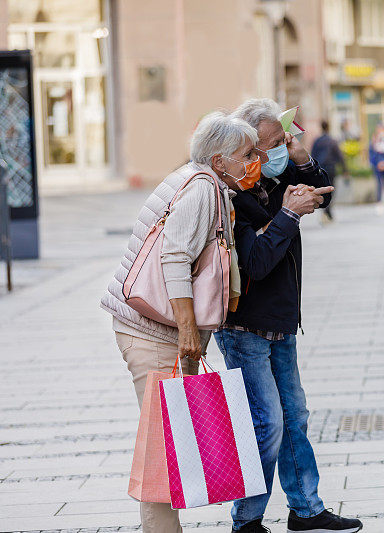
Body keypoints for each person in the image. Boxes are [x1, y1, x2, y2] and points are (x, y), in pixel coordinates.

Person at [101, 112, 262, 533]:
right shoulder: (202, 190)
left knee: (166, 445)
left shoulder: (200, 180)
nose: (255, 160)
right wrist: (189, 330)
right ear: (219, 159)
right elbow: (174, 256)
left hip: (152, 327)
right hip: (152, 330)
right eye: (247, 154)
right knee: (160, 450)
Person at [215, 98, 362, 533]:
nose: (280, 150)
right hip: (244, 327)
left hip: (280, 321)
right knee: (268, 422)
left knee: (294, 417)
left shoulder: (274, 174)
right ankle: (247, 519)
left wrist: (302, 159)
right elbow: (256, 262)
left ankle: (306, 508)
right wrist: (288, 214)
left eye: (283, 141)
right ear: (246, 149)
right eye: (272, 144)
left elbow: (320, 184)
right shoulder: (229, 196)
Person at [311, 119, 346, 221]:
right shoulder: (332, 141)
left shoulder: (317, 141)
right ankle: (328, 210)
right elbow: (339, 156)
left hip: (320, 169)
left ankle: (327, 210)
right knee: (331, 190)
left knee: (323, 190)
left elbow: (312, 156)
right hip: (331, 169)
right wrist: (344, 169)